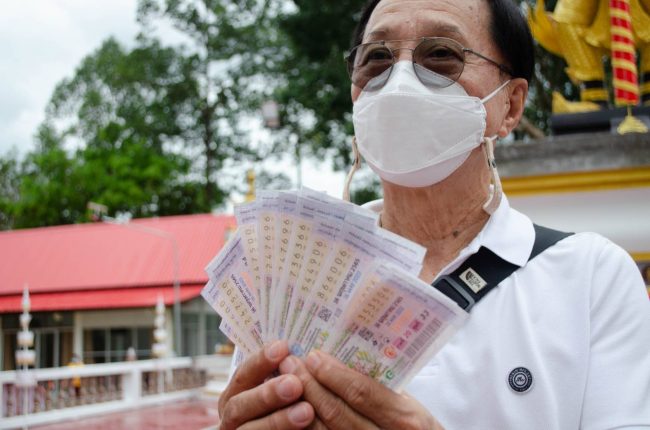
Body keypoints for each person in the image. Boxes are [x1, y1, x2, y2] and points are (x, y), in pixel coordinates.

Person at [216, 0, 650, 428]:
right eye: (377, 59)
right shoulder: (292, 281)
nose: (400, 81)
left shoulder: (591, 276)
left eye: (441, 55)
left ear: (511, 106)